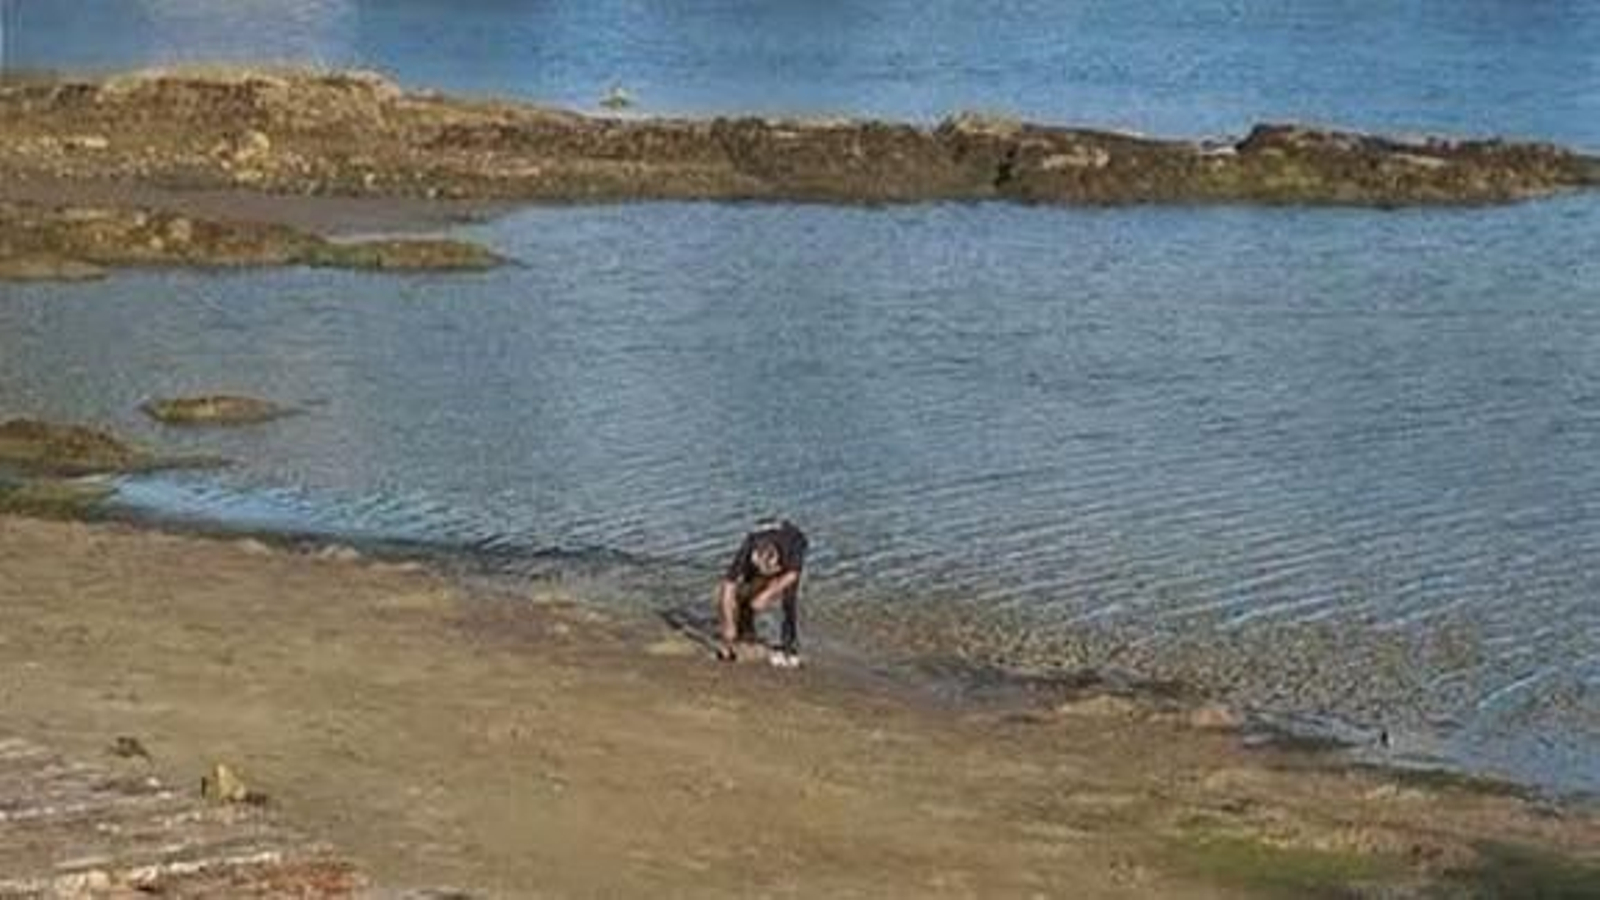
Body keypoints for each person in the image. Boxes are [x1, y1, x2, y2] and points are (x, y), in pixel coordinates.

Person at [715, 519, 807, 666]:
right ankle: (745, 633)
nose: (764, 576)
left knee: (789, 600)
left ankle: (789, 645)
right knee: (745, 591)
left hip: (790, 544)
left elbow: (792, 575)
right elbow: (728, 585)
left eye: (767, 573)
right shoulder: (748, 546)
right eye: (760, 570)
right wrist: (728, 624)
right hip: (762, 539)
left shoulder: (794, 546)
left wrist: (767, 594)